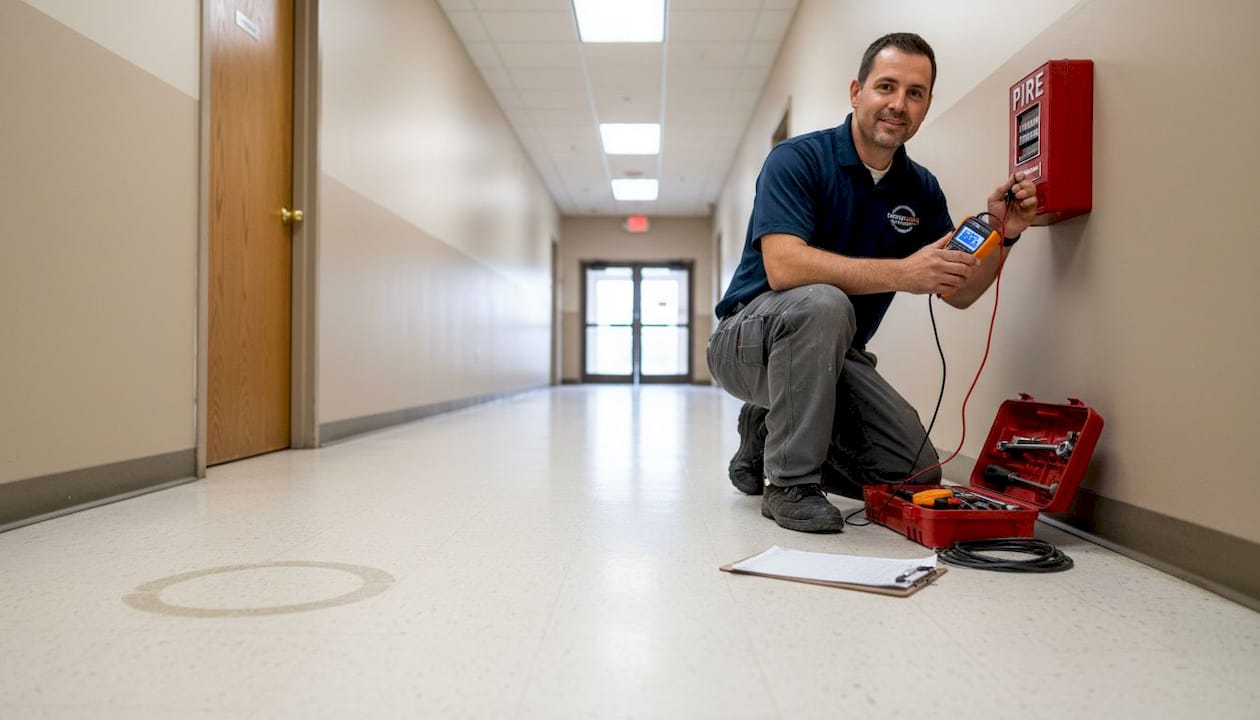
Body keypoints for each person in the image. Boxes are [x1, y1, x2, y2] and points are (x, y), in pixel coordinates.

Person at [706, 32, 1038, 533]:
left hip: (830, 355)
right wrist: (902, 273)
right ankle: (790, 483)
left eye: (915, 93)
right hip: (746, 345)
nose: (898, 104)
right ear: (857, 92)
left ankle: (765, 428)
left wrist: (1003, 237)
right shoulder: (797, 160)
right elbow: (784, 267)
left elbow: (959, 292)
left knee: (918, 473)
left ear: (926, 105)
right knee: (823, 302)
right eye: (886, 86)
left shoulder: (920, 188)